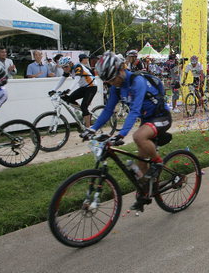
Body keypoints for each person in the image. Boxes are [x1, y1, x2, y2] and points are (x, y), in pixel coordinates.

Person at [83, 52, 172, 211]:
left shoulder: (137, 81)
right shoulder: (116, 88)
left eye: (112, 78)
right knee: (140, 165)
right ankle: (146, 194)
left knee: (138, 136)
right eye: (108, 81)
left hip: (161, 117)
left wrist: (122, 133)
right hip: (147, 121)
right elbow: (108, 110)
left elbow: (135, 110)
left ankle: (158, 162)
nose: (112, 83)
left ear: (121, 70)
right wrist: (92, 128)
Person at [49, 55, 98, 128]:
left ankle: (88, 130)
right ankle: (85, 113)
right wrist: (53, 90)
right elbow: (62, 80)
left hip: (92, 87)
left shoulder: (78, 67)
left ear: (71, 64)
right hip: (84, 87)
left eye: (66, 66)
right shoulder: (68, 70)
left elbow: (77, 79)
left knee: (84, 106)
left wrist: (69, 89)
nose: (64, 69)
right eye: (63, 67)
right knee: (69, 99)